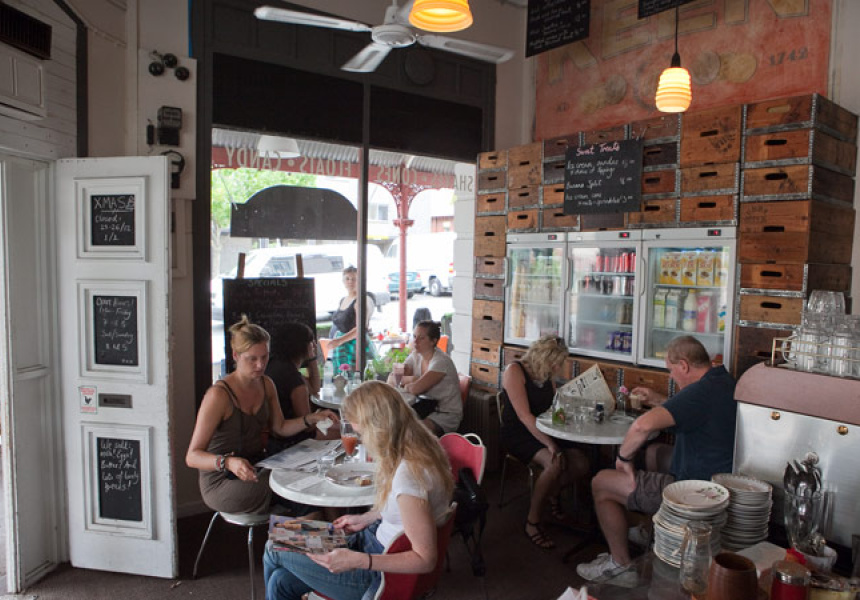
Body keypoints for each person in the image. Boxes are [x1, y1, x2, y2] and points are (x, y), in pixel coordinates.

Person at [263, 381, 454, 600]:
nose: (363, 440)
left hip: (377, 570)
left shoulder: (408, 475)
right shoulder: (420, 446)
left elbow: (426, 559)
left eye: (362, 433)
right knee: (280, 578)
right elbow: (407, 511)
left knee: (273, 546)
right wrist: (368, 517)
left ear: (376, 428)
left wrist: (358, 560)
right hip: (371, 540)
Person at [576, 336, 737, 581]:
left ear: (684, 365)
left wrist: (623, 458)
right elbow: (690, 410)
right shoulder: (720, 380)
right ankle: (652, 530)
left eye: (671, 370)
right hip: (718, 479)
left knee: (601, 482)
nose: (671, 376)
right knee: (654, 452)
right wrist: (658, 400)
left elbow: (642, 426)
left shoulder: (700, 392)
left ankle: (620, 566)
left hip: (695, 492)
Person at [186, 315, 338, 515]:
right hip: (222, 481)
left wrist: (310, 419)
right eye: (252, 359)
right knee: (304, 487)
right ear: (236, 355)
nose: (260, 365)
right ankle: (325, 531)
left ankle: (331, 532)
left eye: (264, 357)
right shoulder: (219, 395)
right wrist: (228, 462)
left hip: (257, 467)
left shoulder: (266, 384)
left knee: (313, 483)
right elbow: (192, 457)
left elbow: (280, 428)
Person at [500, 334, 589, 550]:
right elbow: (524, 416)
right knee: (554, 462)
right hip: (518, 432)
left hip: (543, 429)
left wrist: (567, 413)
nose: (558, 367)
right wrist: (550, 443)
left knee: (581, 462)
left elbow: (552, 406)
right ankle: (532, 521)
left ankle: (551, 493)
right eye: (555, 362)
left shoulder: (546, 374)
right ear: (542, 357)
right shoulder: (514, 371)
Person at [266, 321, 329, 454]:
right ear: (302, 346)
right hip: (289, 439)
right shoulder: (292, 378)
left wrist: (312, 360)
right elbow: (308, 427)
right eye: (311, 341)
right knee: (347, 433)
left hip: (272, 438)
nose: (314, 345)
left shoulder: (276, 365)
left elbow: (314, 390)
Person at [391, 320, 462, 436]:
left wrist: (408, 381)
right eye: (414, 336)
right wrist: (412, 380)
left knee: (411, 433)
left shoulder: (441, 361)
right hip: (424, 407)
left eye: (421, 338)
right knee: (393, 424)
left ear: (433, 341)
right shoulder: (416, 355)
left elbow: (416, 389)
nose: (415, 341)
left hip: (444, 414)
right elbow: (393, 377)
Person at [327, 266, 376, 375]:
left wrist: (339, 340)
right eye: (347, 278)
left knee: (355, 378)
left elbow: (361, 328)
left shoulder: (362, 300)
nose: (350, 282)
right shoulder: (343, 300)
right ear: (343, 281)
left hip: (356, 346)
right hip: (341, 346)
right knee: (341, 379)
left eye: (354, 279)